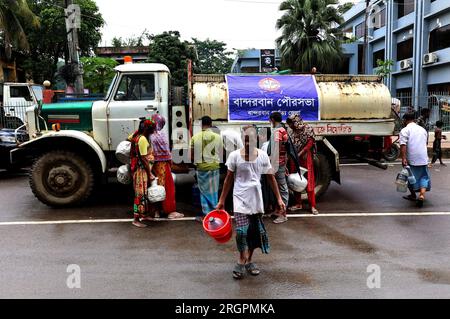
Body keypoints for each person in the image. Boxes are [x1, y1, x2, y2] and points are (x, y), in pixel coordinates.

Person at [216, 126, 286, 280]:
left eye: (251, 139)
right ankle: (241, 259)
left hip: (256, 199)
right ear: (242, 138)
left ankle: (249, 260)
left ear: (257, 139)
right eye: (246, 140)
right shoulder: (234, 156)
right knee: (242, 232)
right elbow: (228, 179)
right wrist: (221, 200)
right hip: (240, 199)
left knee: (254, 233)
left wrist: (279, 199)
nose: (248, 143)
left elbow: (270, 178)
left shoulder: (262, 156)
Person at [150, 113, 184, 219]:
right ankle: (169, 211)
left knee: (154, 187)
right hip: (163, 165)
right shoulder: (162, 135)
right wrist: (170, 161)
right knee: (167, 188)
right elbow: (167, 151)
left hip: (152, 166)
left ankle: (156, 212)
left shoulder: (149, 135)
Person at [190, 116, 223, 221]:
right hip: (214, 167)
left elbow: (190, 156)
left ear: (201, 124)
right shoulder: (218, 137)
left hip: (201, 168)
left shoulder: (195, 137)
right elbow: (221, 153)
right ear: (211, 124)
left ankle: (207, 215)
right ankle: (215, 212)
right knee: (213, 191)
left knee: (203, 192)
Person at [286, 114, 319, 215]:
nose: (290, 126)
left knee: (309, 180)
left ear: (296, 122)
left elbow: (310, 143)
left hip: (305, 158)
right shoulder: (291, 131)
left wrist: (299, 154)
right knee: (296, 180)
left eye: (291, 124)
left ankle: (312, 206)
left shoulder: (307, 129)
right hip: (294, 159)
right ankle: (298, 203)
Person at [129, 118, 157, 228]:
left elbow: (129, 139)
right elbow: (144, 159)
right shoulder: (143, 139)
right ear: (147, 130)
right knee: (140, 195)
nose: (153, 132)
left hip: (137, 169)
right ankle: (136, 219)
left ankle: (144, 215)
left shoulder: (135, 136)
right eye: (152, 130)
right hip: (141, 171)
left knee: (144, 194)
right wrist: (149, 173)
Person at [400, 113, 431, 208]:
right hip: (423, 158)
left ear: (405, 120)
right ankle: (421, 195)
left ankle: (413, 195)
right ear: (413, 119)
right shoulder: (422, 129)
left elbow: (403, 145)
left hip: (412, 158)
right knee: (423, 177)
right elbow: (425, 143)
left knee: (409, 177)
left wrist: (404, 158)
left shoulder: (405, 130)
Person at [267, 112, 289, 224]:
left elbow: (277, 148)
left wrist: (272, 163)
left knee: (281, 187)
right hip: (280, 162)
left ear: (272, 119)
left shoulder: (277, 131)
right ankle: (277, 210)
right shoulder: (282, 129)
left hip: (277, 163)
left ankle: (283, 214)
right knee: (277, 187)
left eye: (269, 119)